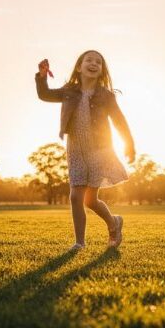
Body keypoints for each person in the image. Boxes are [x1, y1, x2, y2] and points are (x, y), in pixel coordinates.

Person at [35, 51, 136, 250]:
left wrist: (129, 144)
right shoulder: (68, 91)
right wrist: (42, 76)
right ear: (79, 67)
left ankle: (109, 225)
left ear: (101, 71)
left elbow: (119, 121)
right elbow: (44, 95)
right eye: (88, 60)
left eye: (98, 62)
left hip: (100, 150)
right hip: (75, 150)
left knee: (88, 199)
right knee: (81, 198)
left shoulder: (106, 96)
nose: (93, 63)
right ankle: (87, 238)